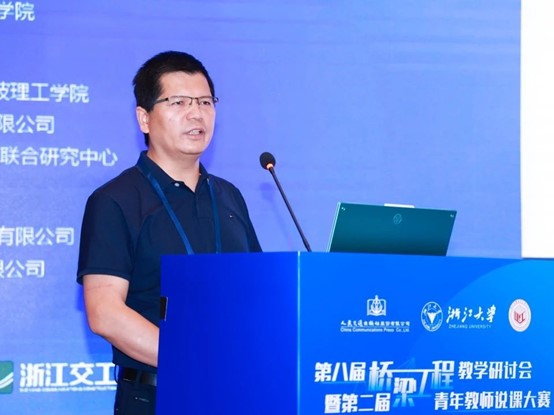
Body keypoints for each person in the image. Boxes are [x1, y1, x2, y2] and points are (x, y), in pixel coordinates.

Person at [76, 51, 262, 415]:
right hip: (156, 398)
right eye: (178, 102)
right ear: (144, 118)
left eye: (205, 102)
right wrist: (195, 359)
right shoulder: (115, 200)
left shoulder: (229, 196)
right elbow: (105, 313)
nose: (196, 114)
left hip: (235, 395)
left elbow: (257, 291)